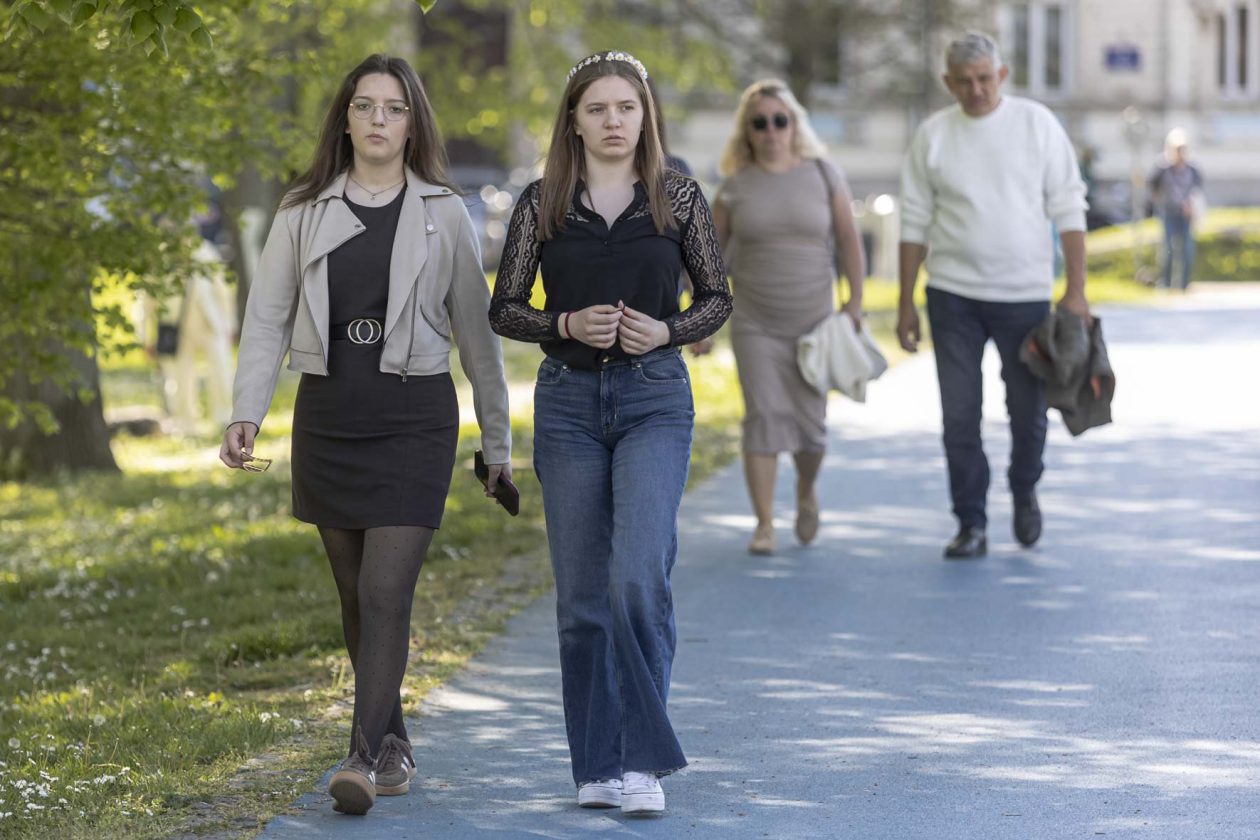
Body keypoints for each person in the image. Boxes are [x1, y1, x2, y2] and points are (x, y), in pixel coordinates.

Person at [218, 54, 511, 816]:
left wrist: (499, 443)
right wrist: (245, 408)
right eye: (365, 107)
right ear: (344, 119)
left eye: (394, 108)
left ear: (413, 122)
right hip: (330, 415)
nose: (379, 120)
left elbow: (478, 341)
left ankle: (357, 754)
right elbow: (267, 318)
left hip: (415, 418)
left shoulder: (444, 210)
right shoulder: (303, 207)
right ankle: (394, 740)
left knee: (387, 588)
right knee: (355, 597)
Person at [489, 49, 730, 815]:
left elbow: (718, 297)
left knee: (637, 578)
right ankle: (596, 765)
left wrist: (664, 332)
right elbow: (505, 308)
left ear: (645, 115)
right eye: (597, 109)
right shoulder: (542, 203)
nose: (614, 121)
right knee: (583, 597)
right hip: (565, 405)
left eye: (626, 107)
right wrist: (562, 320)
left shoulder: (679, 197)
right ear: (575, 121)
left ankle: (642, 764)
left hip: (655, 398)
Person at [896, 32, 1091, 560]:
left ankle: (1025, 487)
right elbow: (913, 221)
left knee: (1027, 412)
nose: (977, 90)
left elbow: (1069, 208)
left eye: (985, 79)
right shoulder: (933, 135)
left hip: (1024, 298)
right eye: (964, 82)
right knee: (959, 415)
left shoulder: (1036, 125)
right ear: (948, 83)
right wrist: (905, 302)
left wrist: (1076, 291)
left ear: (1001, 76)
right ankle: (971, 522)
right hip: (952, 295)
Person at [712, 79, 866, 555]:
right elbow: (709, 262)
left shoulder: (823, 174)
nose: (772, 130)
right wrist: (700, 324)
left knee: (811, 430)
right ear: (748, 132)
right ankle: (764, 524)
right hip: (755, 322)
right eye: (760, 122)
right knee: (763, 417)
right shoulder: (734, 189)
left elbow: (849, 241)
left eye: (780, 120)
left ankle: (804, 491)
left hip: (814, 324)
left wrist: (855, 304)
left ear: (794, 124)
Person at [1148, 128, 1204, 291]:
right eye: (1177, 149)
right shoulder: (1162, 167)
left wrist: (1191, 204)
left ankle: (1184, 284)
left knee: (1187, 249)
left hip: (1186, 214)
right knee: (1168, 249)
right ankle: (1165, 284)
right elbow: (1152, 187)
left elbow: (1197, 190)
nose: (1180, 153)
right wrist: (1161, 202)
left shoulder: (1192, 169)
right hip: (1168, 213)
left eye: (1182, 149)